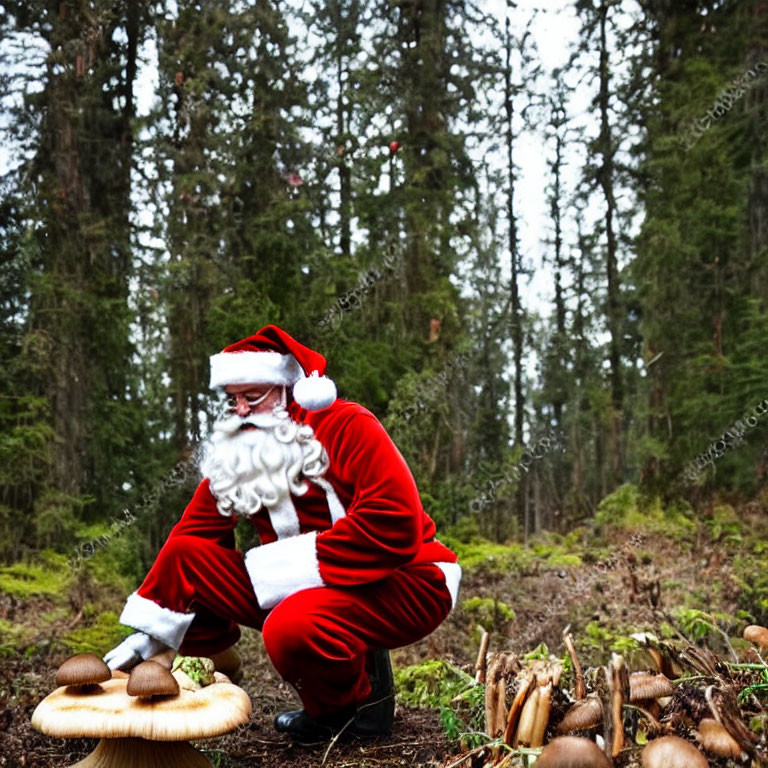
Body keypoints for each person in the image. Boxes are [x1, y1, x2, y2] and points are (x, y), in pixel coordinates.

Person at [103, 325, 461, 742]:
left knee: (290, 626)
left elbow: (394, 522)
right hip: (305, 590)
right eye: (233, 399)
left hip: (410, 579)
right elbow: (196, 535)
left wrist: (281, 568)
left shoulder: (346, 424)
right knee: (186, 554)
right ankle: (217, 664)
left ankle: (350, 712)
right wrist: (156, 634)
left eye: (252, 397)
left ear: (288, 389)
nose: (240, 411)